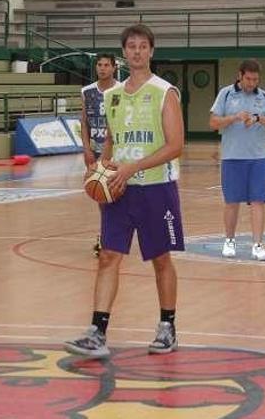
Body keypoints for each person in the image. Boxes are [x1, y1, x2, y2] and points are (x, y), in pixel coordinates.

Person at [64, 24, 184, 358]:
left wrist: (133, 167)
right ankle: (97, 332)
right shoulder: (111, 96)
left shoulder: (165, 92)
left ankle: (167, 327)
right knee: (108, 256)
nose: (136, 51)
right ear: (124, 53)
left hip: (156, 188)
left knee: (160, 259)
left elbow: (176, 145)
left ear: (151, 51)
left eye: (143, 46)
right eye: (131, 46)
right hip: (118, 189)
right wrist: (100, 173)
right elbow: (112, 142)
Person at [209, 59, 265, 261]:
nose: (252, 83)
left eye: (255, 79)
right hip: (232, 157)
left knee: (258, 201)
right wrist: (233, 118)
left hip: (258, 158)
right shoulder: (225, 94)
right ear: (239, 76)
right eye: (249, 79)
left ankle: (258, 245)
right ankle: (229, 240)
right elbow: (213, 122)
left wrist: (260, 118)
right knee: (232, 202)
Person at [80, 54, 119, 257]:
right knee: (101, 195)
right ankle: (106, 237)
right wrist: (86, 148)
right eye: (99, 65)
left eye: (106, 65)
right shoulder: (87, 91)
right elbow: (84, 122)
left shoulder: (122, 90)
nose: (102, 68)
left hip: (116, 152)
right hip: (95, 151)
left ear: (114, 67)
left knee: (117, 196)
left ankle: (111, 235)